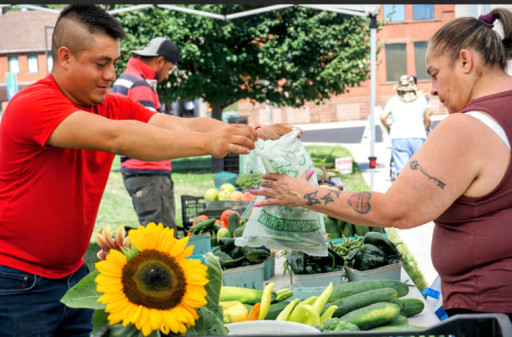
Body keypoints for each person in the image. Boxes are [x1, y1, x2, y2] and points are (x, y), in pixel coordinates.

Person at [0, 5, 294, 336]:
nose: (111, 75)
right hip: (18, 280)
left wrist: (246, 133)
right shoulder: (33, 104)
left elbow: (176, 124)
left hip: (72, 274)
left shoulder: (107, 103)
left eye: (113, 62)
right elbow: (117, 136)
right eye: (101, 64)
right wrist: (210, 144)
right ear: (65, 57)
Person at [253, 8, 512, 320]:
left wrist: (305, 194)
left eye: (434, 73)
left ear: (465, 61)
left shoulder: (467, 127)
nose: (432, 89)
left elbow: (396, 211)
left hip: (490, 309)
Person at [111, 37, 180, 235]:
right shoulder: (139, 85)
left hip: (142, 172)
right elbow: (150, 132)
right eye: (168, 69)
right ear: (159, 62)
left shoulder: (128, 78)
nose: (166, 76)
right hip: (148, 172)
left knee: (158, 237)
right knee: (161, 241)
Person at [380, 74, 431, 179]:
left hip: (398, 137)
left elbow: (383, 117)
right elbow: (428, 119)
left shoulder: (393, 100)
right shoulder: (422, 100)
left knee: (402, 171)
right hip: (418, 136)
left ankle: (403, 192)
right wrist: (424, 127)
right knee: (418, 169)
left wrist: (389, 129)